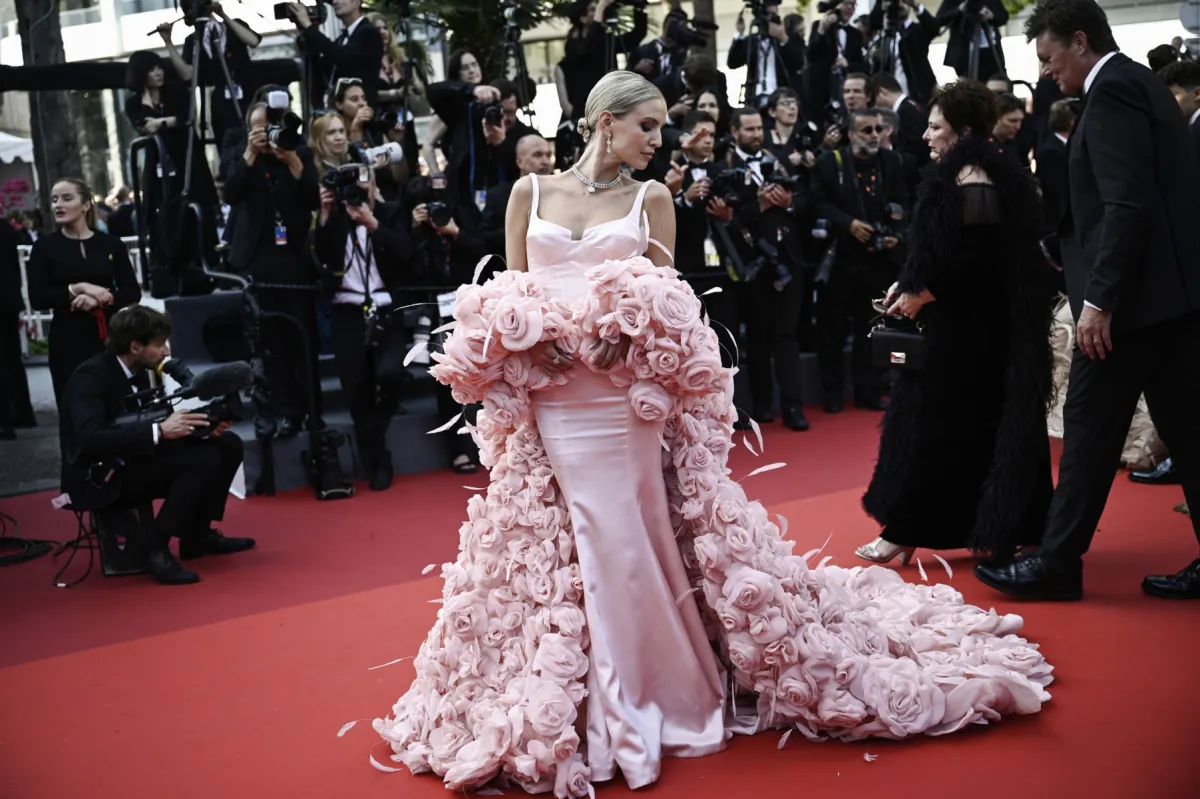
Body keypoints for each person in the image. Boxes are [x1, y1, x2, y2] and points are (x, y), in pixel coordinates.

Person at [372, 70, 1053, 797]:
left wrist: (623, 343)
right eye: (649, 127)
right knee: (567, 537)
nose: (660, 142)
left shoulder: (652, 198)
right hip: (551, 401)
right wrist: (526, 344)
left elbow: (671, 308)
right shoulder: (528, 193)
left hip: (619, 401)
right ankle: (581, 690)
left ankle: (641, 699)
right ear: (607, 122)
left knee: (623, 533)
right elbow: (505, 293)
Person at [976, 0, 1200, 601]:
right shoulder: (1139, 85)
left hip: (1132, 307)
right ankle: (1058, 559)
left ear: (1080, 41)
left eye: (1050, 58)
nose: (1047, 72)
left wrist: (1099, 299)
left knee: (1089, 426)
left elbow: (1127, 206)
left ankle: (1056, 563)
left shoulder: (1115, 92)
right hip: (1167, 301)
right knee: (1188, 430)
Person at [856, 80, 1054, 565]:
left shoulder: (972, 179)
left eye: (935, 126)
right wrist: (910, 286)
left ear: (963, 130)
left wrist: (923, 294)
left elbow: (978, 262)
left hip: (970, 334)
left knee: (938, 429)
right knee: (982, 428)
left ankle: (904, 530)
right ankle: (1013, 526)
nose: (925, 135)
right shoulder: (980, 171)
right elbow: (950, 256)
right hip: (981, 329)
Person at [58, 306, 254, 585]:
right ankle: (156, 548)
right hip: (99, 478)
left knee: (227, 444)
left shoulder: (138, 370)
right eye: (160, 344)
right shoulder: (90, 378)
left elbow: (140, 424)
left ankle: (196, 535)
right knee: (202, 460)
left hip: (131, 459)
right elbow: (91, 438)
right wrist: (159, 431)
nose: (166, 351)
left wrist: (201, 429)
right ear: (135, 346)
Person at [313, 173, 415, 490]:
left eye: (365, 189)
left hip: (386, 309)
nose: (359, 196)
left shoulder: (390, 213)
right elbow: (318, 262)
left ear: (375, 190)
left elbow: (409, 255)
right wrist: (325, 215)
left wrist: (374, 225)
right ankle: (377, 462)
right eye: (353, 191)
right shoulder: (334, 221)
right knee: (357, 389)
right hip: (348, 311)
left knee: (394, 374)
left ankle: (374, 432)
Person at [26, 178, 142, 407]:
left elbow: (132, 292)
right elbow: (38, 298)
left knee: (116, 404)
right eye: (54, 199)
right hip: (67, 339)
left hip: (110, 336)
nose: (58, 204)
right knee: (74, 405)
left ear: (86, 204)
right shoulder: (44, 247)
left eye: (67, 198)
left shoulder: (111, 244)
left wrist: (101, 298)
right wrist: (77, 289)